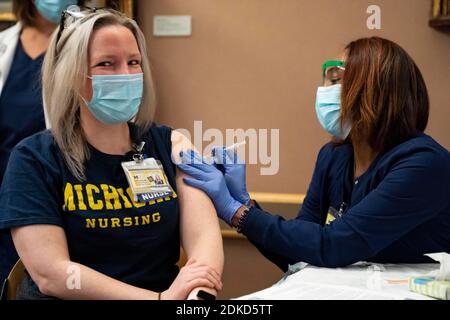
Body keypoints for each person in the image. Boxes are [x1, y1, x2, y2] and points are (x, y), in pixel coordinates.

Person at [0, 7, 223, 299]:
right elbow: (52, 274)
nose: (126, 75)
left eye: (134, 62)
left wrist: (195, 298)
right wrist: (157, 300)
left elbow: (204, 246)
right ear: (71, 75)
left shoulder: (172, 146)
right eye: (106, 64)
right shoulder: (33, 159)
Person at [178, 37, 450, 270]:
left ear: (379, 92)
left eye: (337, 80)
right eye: (328, 81)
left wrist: (236, 212)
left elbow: (335, 244)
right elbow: (300, 250)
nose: (326, 92)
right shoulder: (334, 156)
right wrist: (245, 204)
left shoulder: (424, 164)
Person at [0, 0, 82, 287]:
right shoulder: (5, 43)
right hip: (3, 193)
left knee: (48, 280)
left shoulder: (83, 39)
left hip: (55, 191)